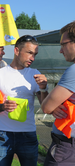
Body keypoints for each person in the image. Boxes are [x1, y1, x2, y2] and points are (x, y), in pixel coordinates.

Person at [0, 35, 49, 166]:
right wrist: (3, 106)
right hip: (3, 135)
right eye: (30, 53)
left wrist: (43, 88)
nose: (33, 58)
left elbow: (45, 107)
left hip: (28, 135)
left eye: (35, 54)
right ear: (16, 51)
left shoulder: (34, 74)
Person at [41, 21, 75, 166]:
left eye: (63, 44)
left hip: (67, 146)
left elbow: (47, 107)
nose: (61, 50)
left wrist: (55, 105)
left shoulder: (73, 71)